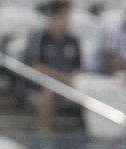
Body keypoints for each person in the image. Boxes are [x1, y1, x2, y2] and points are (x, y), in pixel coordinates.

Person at [23, 0, 82, 133]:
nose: (68, 21)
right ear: (53, 17)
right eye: (64, 16)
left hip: (69, 82)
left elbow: (79, 67)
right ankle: (45, 135)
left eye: (69, 17)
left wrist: (71, 78)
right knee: (50, 91)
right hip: (41, 83)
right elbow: (36, 66)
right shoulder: (39, 37)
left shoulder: (73, 40)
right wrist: (61, 78)